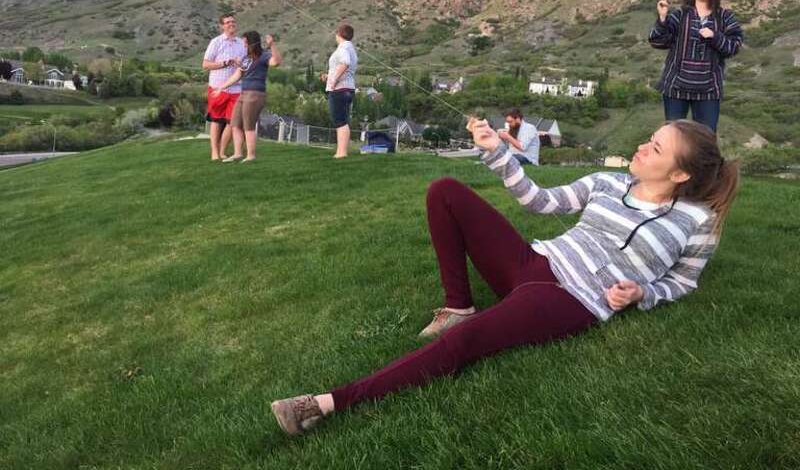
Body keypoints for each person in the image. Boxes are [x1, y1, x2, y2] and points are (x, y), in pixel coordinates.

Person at [270, 119, 740, 436]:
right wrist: (497, 153)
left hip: (572, 299)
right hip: (532, 263)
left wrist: (644, 292)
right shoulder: (608, 182)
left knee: (467, 344)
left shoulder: (695, 223)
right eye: (648, 138)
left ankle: (327, 403)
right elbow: (539, 201)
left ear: (678, 173)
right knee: (446, 191)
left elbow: (684, 282)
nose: (641, 146)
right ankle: (458, 305)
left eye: (655, 148)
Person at [649, 0, 743, 132]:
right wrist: (663, 18)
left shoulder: (725, 17)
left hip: (709, 91)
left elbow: (734, 46)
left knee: (705, 140)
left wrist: (715, 36)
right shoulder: (680, 15)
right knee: (674, 139)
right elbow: (657, 41)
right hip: (675, 88)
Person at [212, 31, 282, 162]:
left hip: (255, 94)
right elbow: (237, 75)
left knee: (248, 125)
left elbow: (276, 62)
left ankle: (251, 155)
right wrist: (221, 87)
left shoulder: (264, 56)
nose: (243, 45)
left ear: (251, 43)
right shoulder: (246, 58)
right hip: (243, 93)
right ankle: (238, 153)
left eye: (245, 43)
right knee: (235, 123)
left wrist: (272, 45)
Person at [203, 14, 247, 160]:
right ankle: (214, 153)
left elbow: (246, 64)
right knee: (216, 121)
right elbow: (205, 65)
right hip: (217, 87)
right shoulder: (215, 42)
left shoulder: (241, 43)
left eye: (233, 22)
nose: (231, 24)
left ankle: (222, 151)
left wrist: (242, 65)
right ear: (222, 26)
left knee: (232, 122)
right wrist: (226, 63)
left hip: (236, 88)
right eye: (228, 22)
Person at [321, 24, 358, 158]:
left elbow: (345, 63)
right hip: (348, 88)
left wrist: (334, 80)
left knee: (339, 121)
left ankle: (341, 153)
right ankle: (341, 151)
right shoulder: (351, 48)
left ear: (338, 35)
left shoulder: (343, 48)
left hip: (340, 89)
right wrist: (329, 77)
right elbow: (345, 67)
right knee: (343, 120)